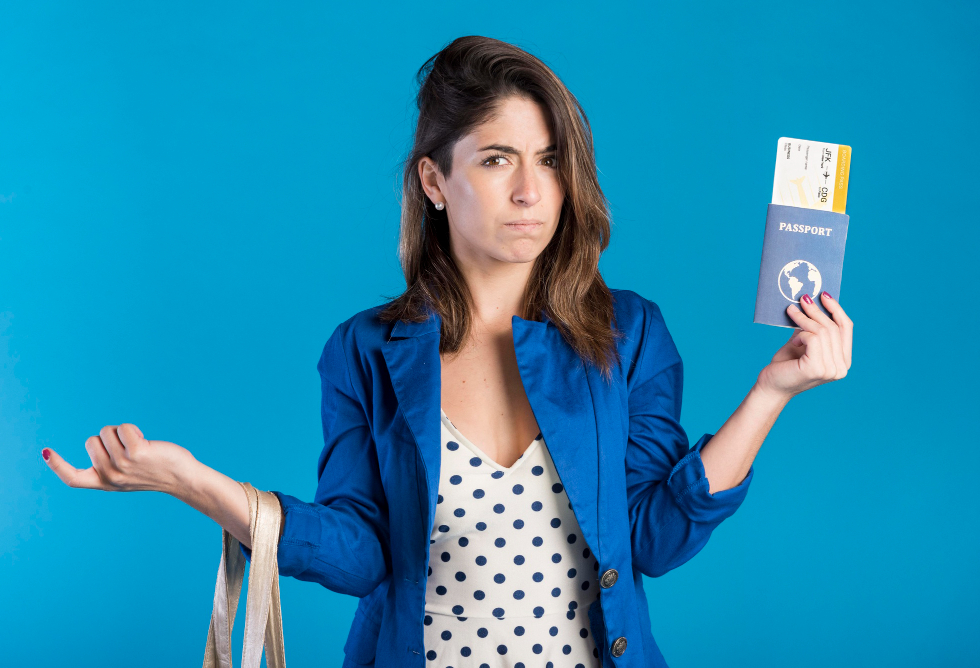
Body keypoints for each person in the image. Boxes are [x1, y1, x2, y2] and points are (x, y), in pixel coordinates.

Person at [41, 35, 854, 668]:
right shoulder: (365, 350)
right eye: (497, 160)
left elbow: (652, 540)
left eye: (548, 161)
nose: (531, 192)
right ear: (434, 181)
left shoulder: (628, 334)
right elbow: (360, 554)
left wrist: (771, 394)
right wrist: (191, 481)